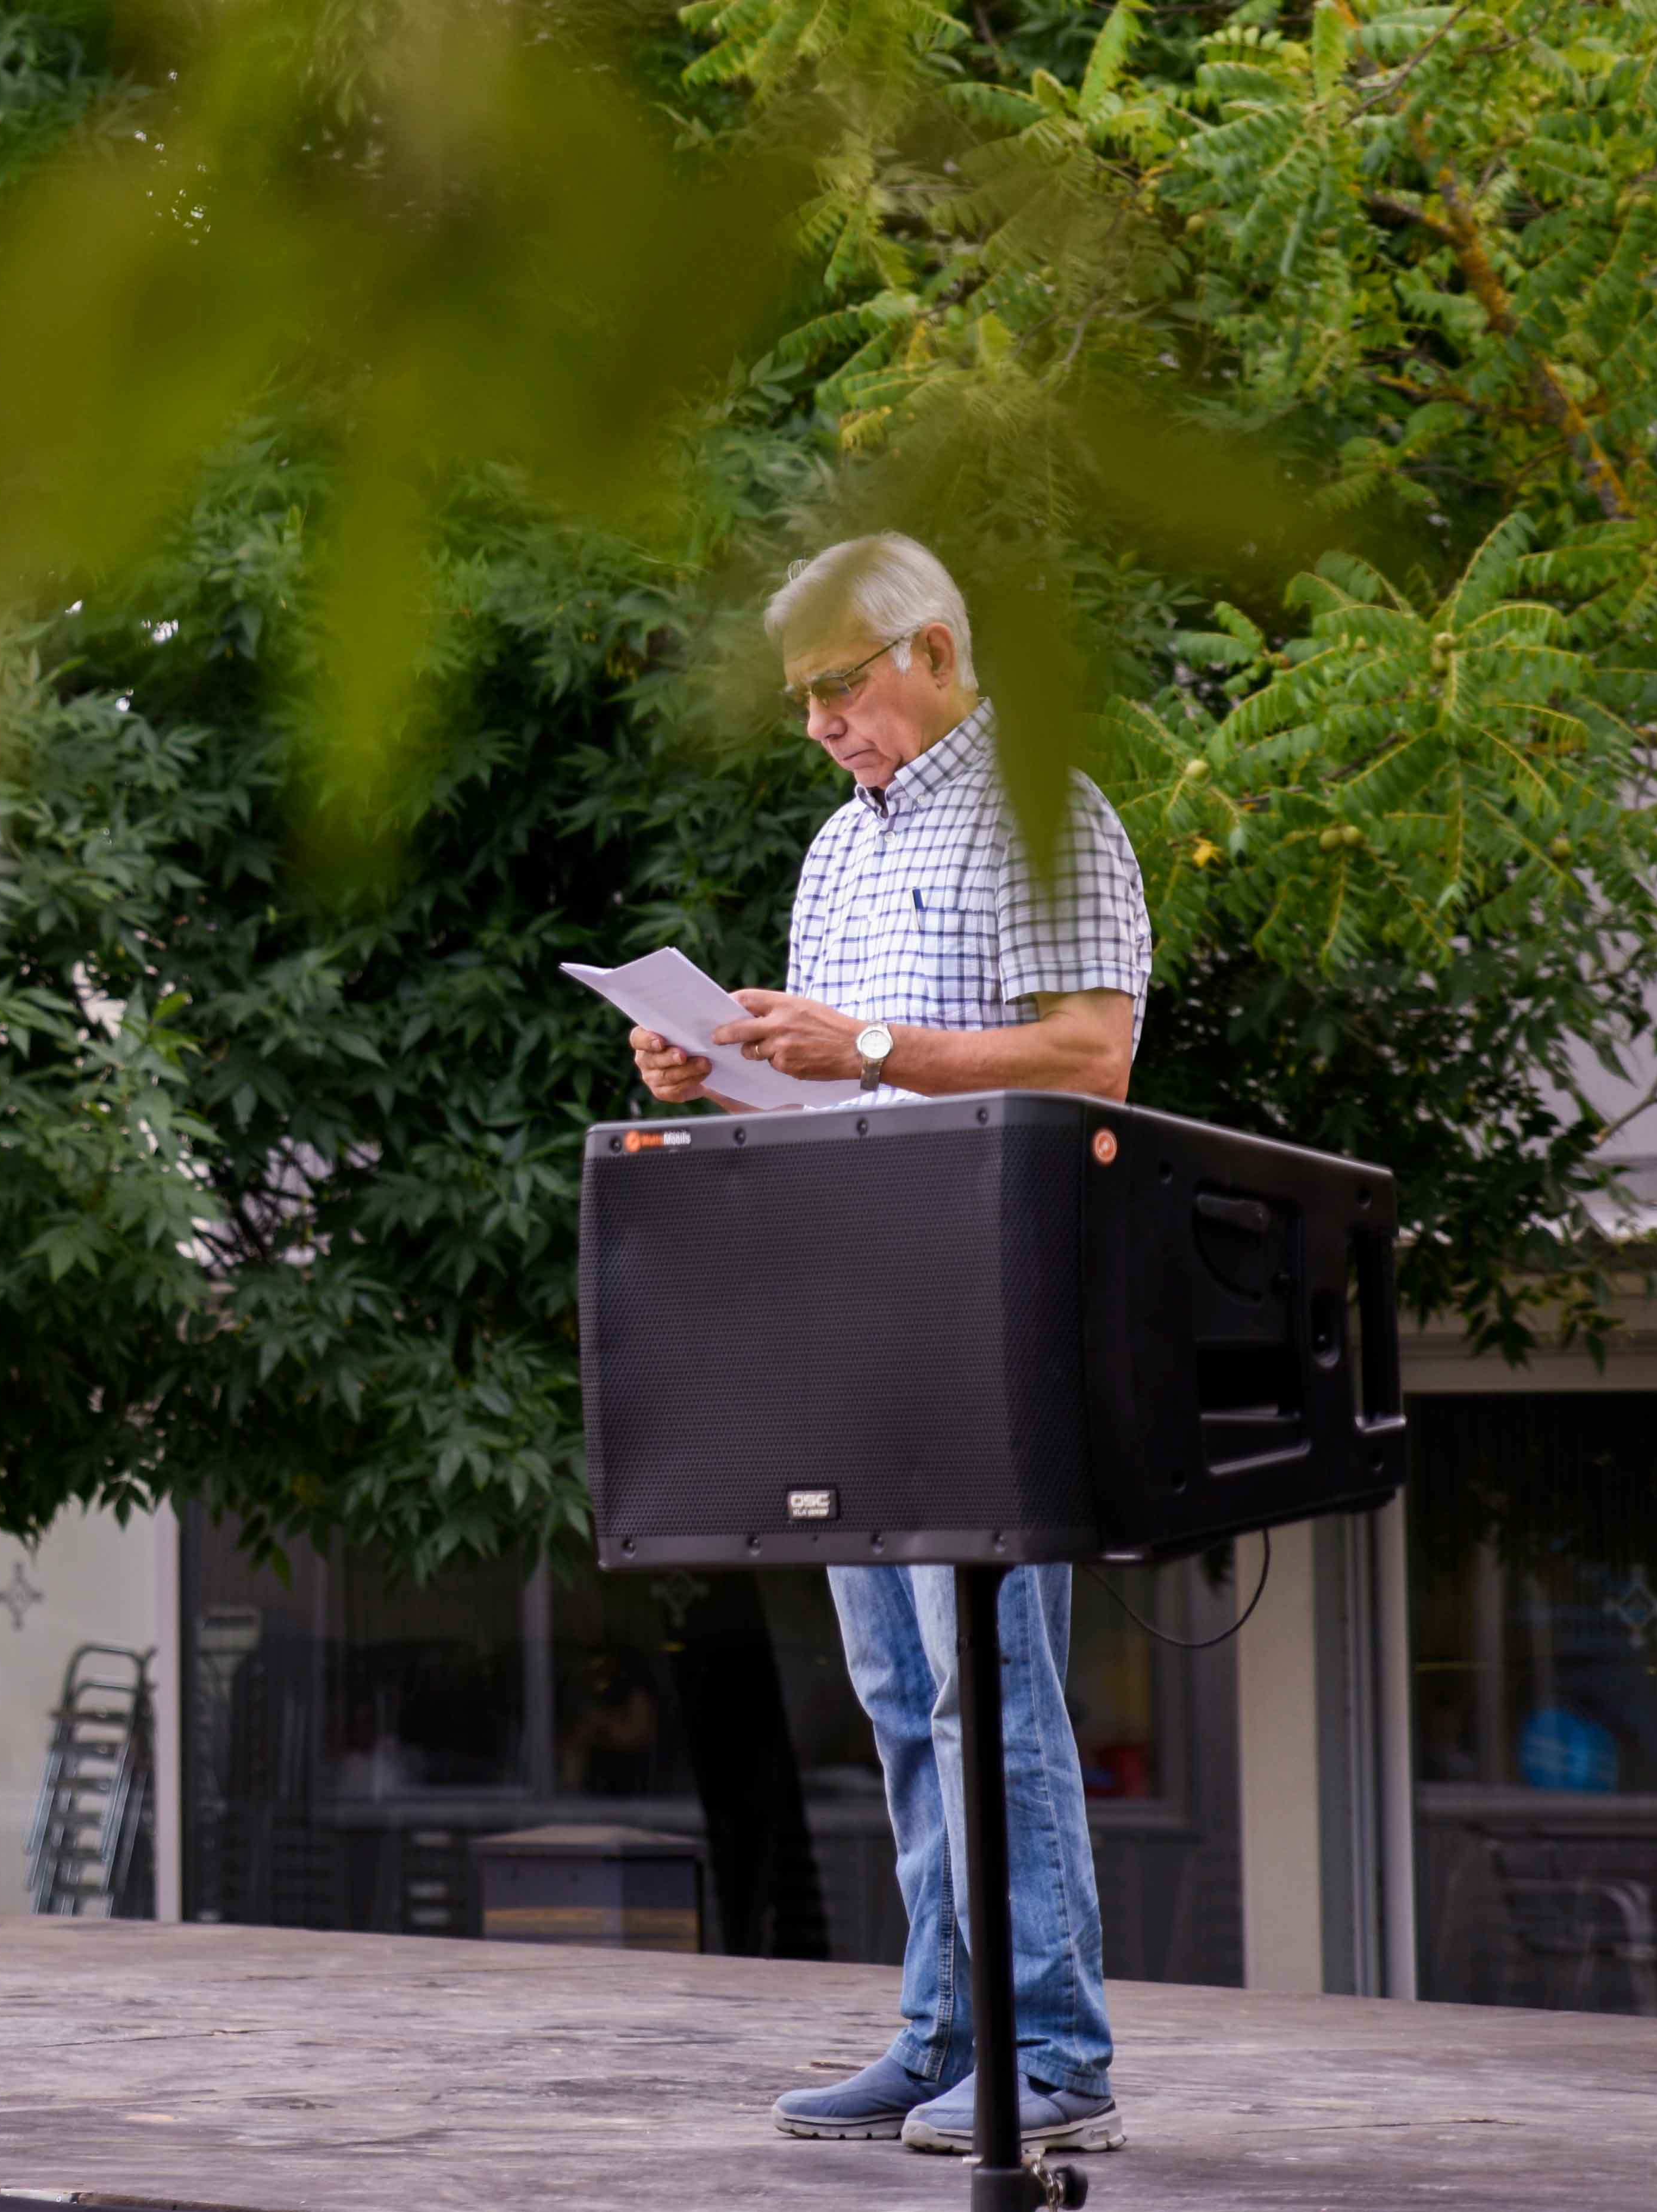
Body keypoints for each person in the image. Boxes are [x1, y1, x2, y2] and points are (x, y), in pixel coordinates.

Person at [628, 535, 1149, 2157]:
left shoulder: (1046, 810)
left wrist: (857, 1034)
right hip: (851, 1300)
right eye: (801, 702)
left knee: (995, 1683)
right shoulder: (835, 851)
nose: (821, 725)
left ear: (927, 647)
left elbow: (1092, 1053)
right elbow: (844, 1087)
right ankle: (943, 2035)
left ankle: (1055, 2057)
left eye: (838, 688)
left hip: (992, 1303)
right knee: (900, 1687)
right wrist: (720, 1064)